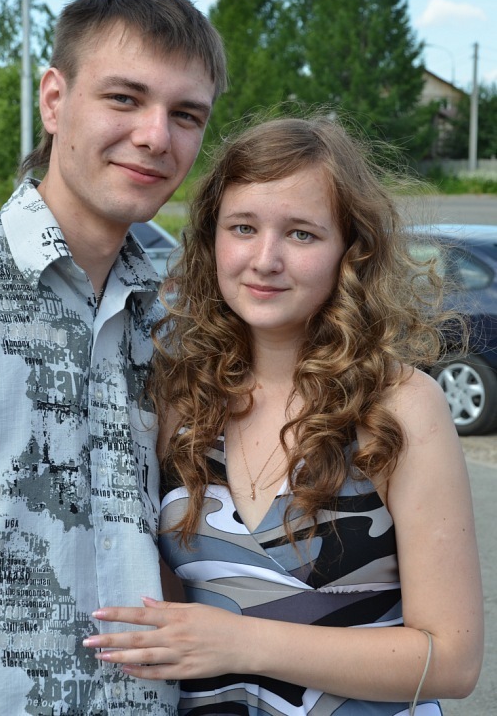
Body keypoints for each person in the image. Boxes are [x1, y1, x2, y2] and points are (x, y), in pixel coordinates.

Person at [83, 115, 484, 715]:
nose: (265, 259)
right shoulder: (180, 401)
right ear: (212, 240)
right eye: (243, 227)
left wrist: (241, 641)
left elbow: (452, 661)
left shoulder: (400, 405)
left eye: (301, 234)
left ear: (351, 251)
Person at [0, 0, 226, 715]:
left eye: (185, 114)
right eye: (124, 98)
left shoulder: (182, 323)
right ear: (54, 100)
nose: (155, 136)